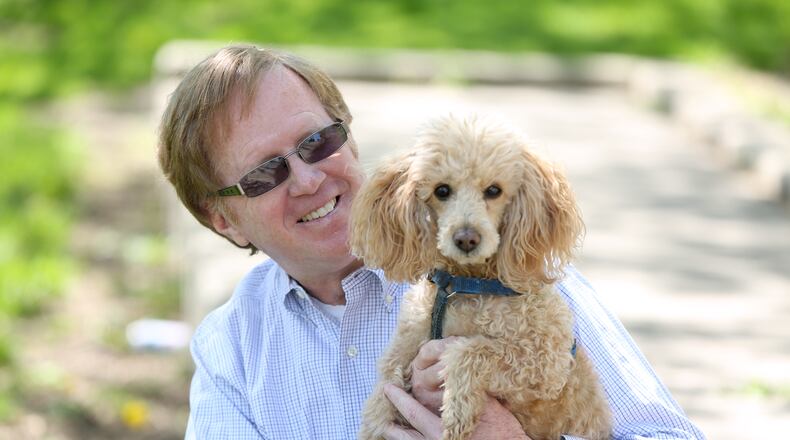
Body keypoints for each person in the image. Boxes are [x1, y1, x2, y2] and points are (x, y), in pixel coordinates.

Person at [158, 44, 705, 439]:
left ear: (349, 135)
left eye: (317, 141)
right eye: (264, 173)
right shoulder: (231, 346)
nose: (307, 179)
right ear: (222, 219)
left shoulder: (513, 272)